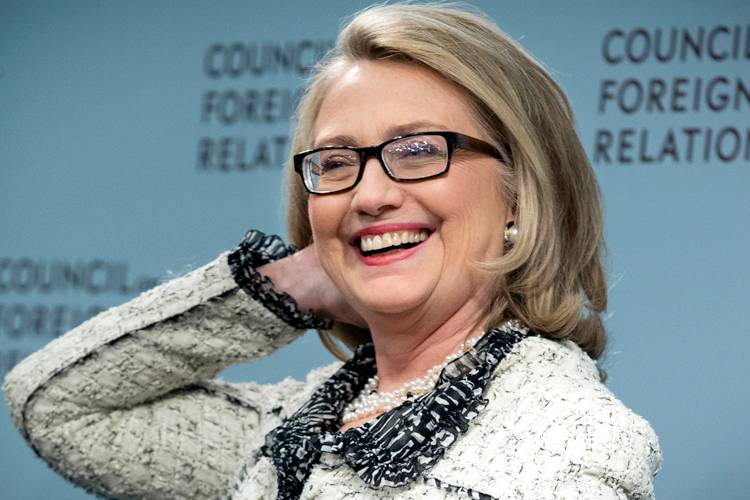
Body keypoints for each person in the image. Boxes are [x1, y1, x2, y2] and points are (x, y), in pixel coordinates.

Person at [3, 3, 661, 500]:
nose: (369, 194)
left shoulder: (578, 440)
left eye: (418, 151)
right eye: (338, 161)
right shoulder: (296, 424)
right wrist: (288, 285)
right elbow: (55, 407)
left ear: (520, 195)